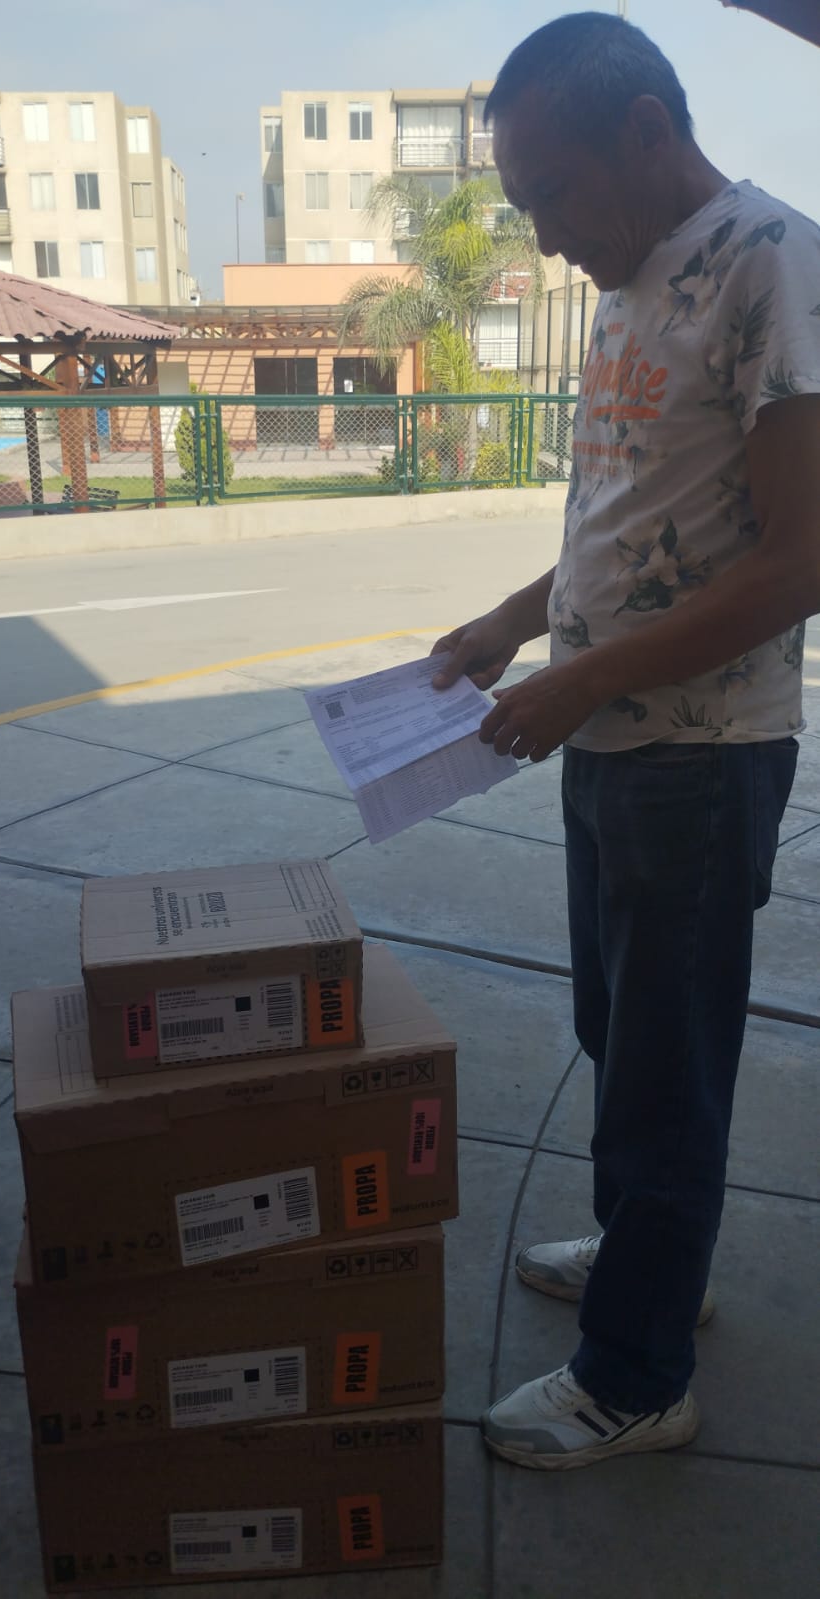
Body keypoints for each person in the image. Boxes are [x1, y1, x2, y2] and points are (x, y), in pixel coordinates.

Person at [432, 11, 820, 1470]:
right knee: (619, 1033)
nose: (543, 238)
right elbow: (628, 515)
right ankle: (655, 1257)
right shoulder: (630, 279)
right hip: (608, 740)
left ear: (647, 132)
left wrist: (581, 682)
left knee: (666, 1063)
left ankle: (640, 1378)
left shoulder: (774, 263)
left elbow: (800, 561)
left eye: (553, 194)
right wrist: (511, 625)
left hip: (698, 757)